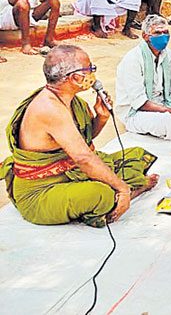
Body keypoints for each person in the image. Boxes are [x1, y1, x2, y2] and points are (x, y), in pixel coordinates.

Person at [2, 45, 158, 227]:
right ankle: (123, 195)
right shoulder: (49, 108)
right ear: (76, 77)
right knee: (102, 194)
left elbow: (84, 139)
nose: (93, 73)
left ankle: (118, 193)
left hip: (71, 171)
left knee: (136, 155)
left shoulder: (70, 99)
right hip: (42, 190)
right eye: (90, 68)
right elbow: (83, 158)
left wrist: (101, 117)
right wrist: (122, 188)